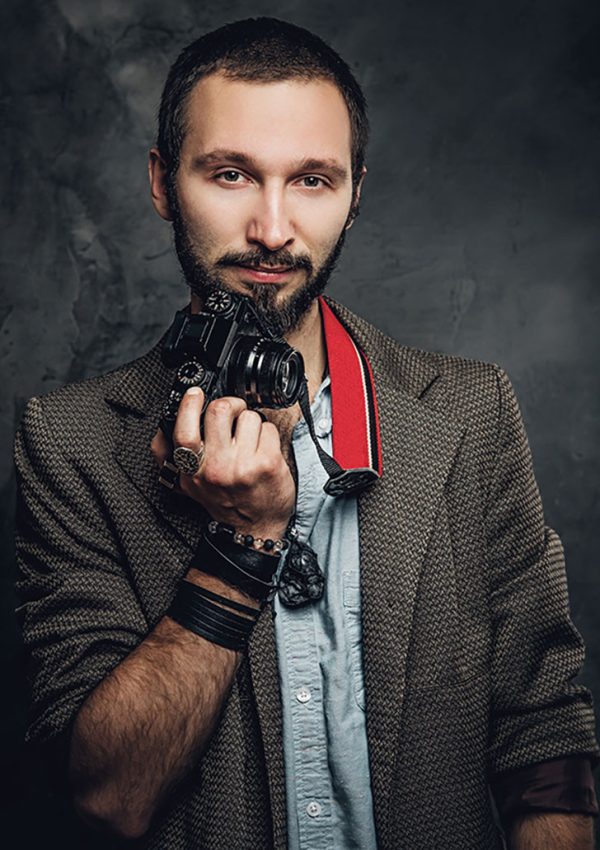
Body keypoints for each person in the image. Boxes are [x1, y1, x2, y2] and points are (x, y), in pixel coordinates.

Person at [13, 17, 599, 850]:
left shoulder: (472, 413)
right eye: (230, 174)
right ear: (160, 182)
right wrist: (239, 545)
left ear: (357, 192)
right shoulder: (66, 443)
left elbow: (543, 734)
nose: (272, 229)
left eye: (313, 181)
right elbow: (111, 796)